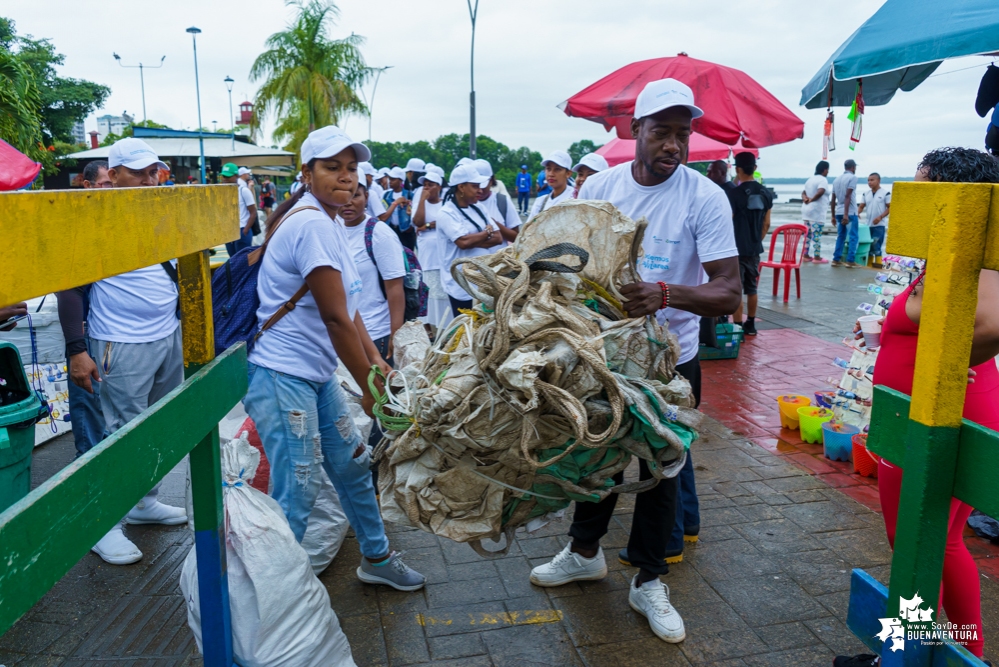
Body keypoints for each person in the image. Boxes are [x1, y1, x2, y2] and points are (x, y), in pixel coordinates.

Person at [529, 78, 741, 644]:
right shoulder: (600, 187)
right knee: (592, 457)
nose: (673, 145)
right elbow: (564, 263)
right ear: (635, 132)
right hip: (600, 355)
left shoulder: (705, 197)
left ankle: (649, 579)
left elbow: (729, 293)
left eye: (683, 134)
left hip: (671, 360)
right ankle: (583, 553)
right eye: (662, 132)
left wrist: (666, 294)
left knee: (660, 471)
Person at [242, 125, 425, 592]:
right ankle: (273, 599)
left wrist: (378, 365)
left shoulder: (330, 221)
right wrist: (367, 387)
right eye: (331, 168)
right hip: (284, 376)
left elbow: (351, 308)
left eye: (350, 169)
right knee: (297, 489)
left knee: (351, 466)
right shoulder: (311, 224)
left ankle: (377, 558)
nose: (345, 178)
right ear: (307, 173)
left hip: (315, 376)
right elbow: (334, 320)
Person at [836, 147, 999, 667]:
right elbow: (931, 320)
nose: (910, 196)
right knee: (920, 539)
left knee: (929, 540)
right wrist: (884, 331)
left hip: (941, 417)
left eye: (922, 186)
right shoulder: (944, 252)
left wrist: (947, 369)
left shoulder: (982, 250)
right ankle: (907, 650)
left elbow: (992, 323)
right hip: (911, 416)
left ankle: (958, 656)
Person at [81, 138, 189, 565]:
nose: (150, 178)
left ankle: (144, 502)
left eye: (153, 171)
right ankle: (103, 524)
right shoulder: (92, 219)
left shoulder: (159, 211)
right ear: (113, 175)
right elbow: (71, 287)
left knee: (159, 425)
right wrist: (76, 348)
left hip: (166, 335)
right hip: (120, 342)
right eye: (140, 171)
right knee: (120, 432)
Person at [57, 160, 110, 460]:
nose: (111, 190)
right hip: (85, 330)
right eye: (105, 184)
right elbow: (68, 289)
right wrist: (77, 348)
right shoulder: (76, 225)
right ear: (87, 186)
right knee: (88, 403)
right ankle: (90, 475)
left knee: (105, 406)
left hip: (109, 333)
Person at [436, 163, 500, 316]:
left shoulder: (479, 208)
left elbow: (498, 237)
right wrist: (485, 233)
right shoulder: (446, 213)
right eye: (474, 186)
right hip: (461, 284)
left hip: (482, 281)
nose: (480, 190)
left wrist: (474, 238)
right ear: (461, 187)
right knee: (464, 328)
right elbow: (463, 243)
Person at [727, 151, 772, 337]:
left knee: (736, 288)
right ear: (754, 168)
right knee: (752, 287)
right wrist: (756, 240)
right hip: (754, 249)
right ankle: (751, 324)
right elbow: (767, 223)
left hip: (735, 248)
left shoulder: (734, 194)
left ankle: (737, 326)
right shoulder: (766, 193)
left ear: (737, 169)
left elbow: (729, 221)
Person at [412, 170, 451, 328]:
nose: (427, 188)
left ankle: (445, 325)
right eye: (425, 185)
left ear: (439, 186)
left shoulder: (446, 203)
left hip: (443, 254)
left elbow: (445, 223)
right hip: (427, 255)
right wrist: (422, 200)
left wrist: (428, 225)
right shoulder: (421, 202)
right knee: (428, 291)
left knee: (443, 293)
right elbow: (417, 221)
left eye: (431, 185)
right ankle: (429, 326)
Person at [473, 158, 521, 244]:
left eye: (482, 184)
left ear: (491, 181)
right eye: (475, 185)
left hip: (499, 257)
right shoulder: (465, 204)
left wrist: (495, 225)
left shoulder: (502, 201)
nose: (479, 189)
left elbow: (517, 237)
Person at [220, 163, 258, 256]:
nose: (225, 179)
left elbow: (253, 212)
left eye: (228, 176)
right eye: (224, 176)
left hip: (242, 230)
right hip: (229, 231)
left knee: (242, 261)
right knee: (232, 261)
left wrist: (245, 230)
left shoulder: (243, 191)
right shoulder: (222, 192)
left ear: (237, 176)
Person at [527, 150, 575, 221]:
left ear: (568, 173)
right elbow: (529, 229)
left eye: (557, 169)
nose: (551, 174)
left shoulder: (575, 199)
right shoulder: (541, 202)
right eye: (548, 169)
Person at [831, 159, 860, 268]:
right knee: (853, 236)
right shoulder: (853, 178)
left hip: (838, 211)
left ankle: (836, 259)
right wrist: (846, 214)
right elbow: (848, 196)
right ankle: (850, 260)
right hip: (850, 212)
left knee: (841, 236)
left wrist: (833, 215)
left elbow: (833, 199)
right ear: (853, 167)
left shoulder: (836, 179)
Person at [801, 161, 831, 263]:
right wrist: (812, 199)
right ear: (825, 169)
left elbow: (803, 192)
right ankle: (817, 257)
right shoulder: (823, 180)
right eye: (827, 170)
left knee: (807, 235)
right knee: (816, 235)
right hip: (816, 212)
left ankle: (805, 255)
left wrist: (805, 199)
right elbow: (821, 191)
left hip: (806, 211)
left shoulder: (810, 179)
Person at [858, 172, 890, 267]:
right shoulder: (865, 194)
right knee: (869, 246)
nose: (869, 182)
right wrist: (857, 213)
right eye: (868, 180)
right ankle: (869, 265)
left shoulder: (885, 193)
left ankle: (878, 265)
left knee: (876, 246)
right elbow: (861, 206)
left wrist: (880, 217)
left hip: (879, 225)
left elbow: (890, 207)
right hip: (868, 225)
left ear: (878, 181)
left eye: (872, 180)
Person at [382, 167, 415, 250]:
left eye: (393, 179)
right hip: (391, 229)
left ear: (400, 181)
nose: (390, 181)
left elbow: (414, 211)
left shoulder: (409, 195)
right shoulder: (386, 195)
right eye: (390, 179)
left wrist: (411, 226)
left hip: (405, 232)